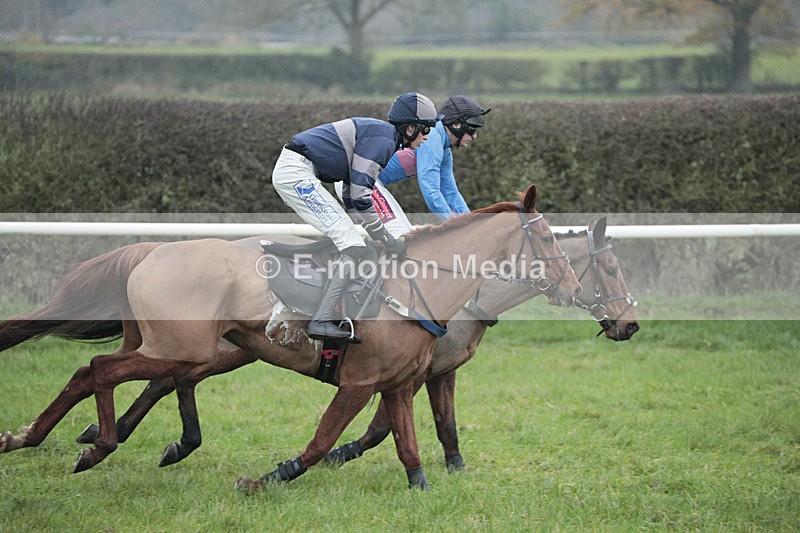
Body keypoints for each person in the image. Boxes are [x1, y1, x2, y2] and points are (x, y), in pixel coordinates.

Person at [272, 93, 442, 343]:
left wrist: (378, 235)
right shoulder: (383, 141)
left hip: (300, 171)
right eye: (425, 129)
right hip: (297, 173)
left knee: (355, 242)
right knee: (351, 241)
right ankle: (321, 319)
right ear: (410, 127)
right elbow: (362, 197)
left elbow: (353, 196)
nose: (427, 136)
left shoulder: (385, 137)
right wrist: (385, 237)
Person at [416, 95, 491, 220]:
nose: (474, 136)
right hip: (374, 184)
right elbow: (431, 192)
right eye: (472, 130)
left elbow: (450, 192)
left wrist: (469, 222)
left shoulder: (444, 146)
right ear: (456, 124)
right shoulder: (432, 137)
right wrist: (454, 224)